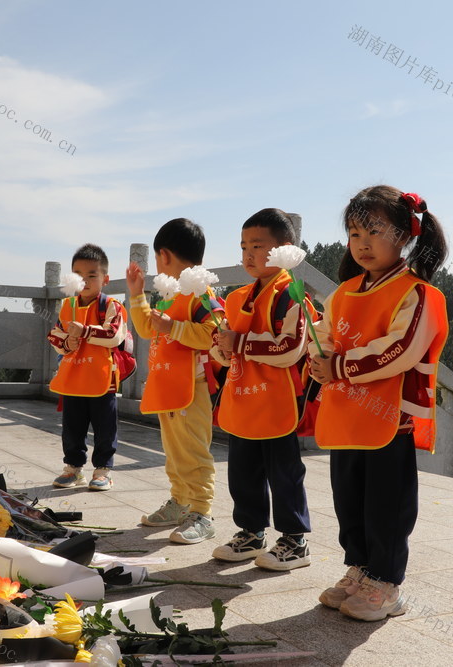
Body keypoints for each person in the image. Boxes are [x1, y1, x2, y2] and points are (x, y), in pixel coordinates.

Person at [308, 186, 449, 621]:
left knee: (386, 503)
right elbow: (327, 334)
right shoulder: (345, 291)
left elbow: (401, 348)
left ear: (405, 235)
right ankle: (360, 568)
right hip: (346, 413)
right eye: (354, 233)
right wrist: (319, 356)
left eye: (374, 230)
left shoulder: (419, 293)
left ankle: (387, 583)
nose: (362, 242)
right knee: (348, 497)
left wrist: (340, 366)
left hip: (391, 418)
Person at [211, 208, 313, 571]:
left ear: (284, 248)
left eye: (258, 246)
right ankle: (251, 532)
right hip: (241, 397)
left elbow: (289, 349)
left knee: (283, 471)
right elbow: (221, 346)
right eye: (243, 247)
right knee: (242, 470)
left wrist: (237, 343)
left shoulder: (292, 294)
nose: (249, 255)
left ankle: (294, 539)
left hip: (276, 399)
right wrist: (221, 347)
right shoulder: (237, 297)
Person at [125, 218, 224, 544]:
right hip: (168, 385)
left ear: (164, 256)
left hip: (192, 387)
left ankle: (202, 512)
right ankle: (180, 501)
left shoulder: (200, 293)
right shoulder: (171, 294)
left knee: (194, 452)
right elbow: (146, 328)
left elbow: (216, 334)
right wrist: (137, 295)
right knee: (174, 451)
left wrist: (174, 329)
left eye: (157, 259)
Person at [48, 243, 128, 492]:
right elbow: (54, 336)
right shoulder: (68, 305)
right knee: (72, 427)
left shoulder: (111, 306)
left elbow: (115, 335)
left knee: (105, 427)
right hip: (74, 377)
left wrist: (84, 332)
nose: (85, 281)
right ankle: (73, 468)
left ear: (105, 278)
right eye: (79, 275)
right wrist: (67, 342)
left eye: (92, 275)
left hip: (102, 378)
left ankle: (103, 470)